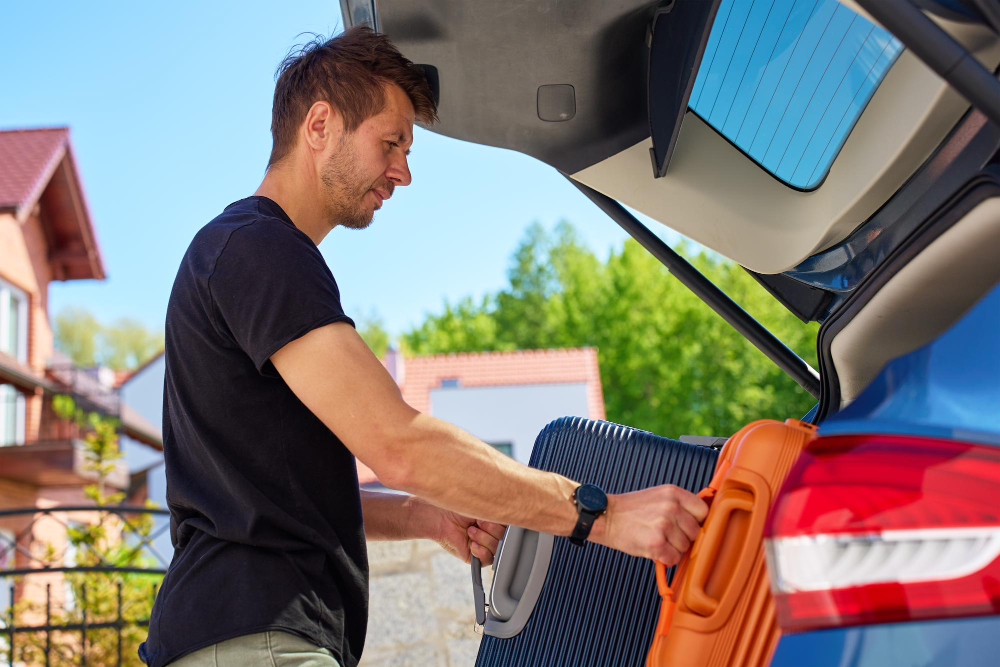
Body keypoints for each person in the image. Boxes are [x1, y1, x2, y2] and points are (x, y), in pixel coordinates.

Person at [139, 25, 709, 667]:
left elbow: (284, 496)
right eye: (391, 143)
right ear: (320, 124)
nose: (403, 173)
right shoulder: (261, 249)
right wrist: (602, 518)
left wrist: (423, 517)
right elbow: (399, 442)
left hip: (236, 634)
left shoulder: (239, 253)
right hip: (257, 637)